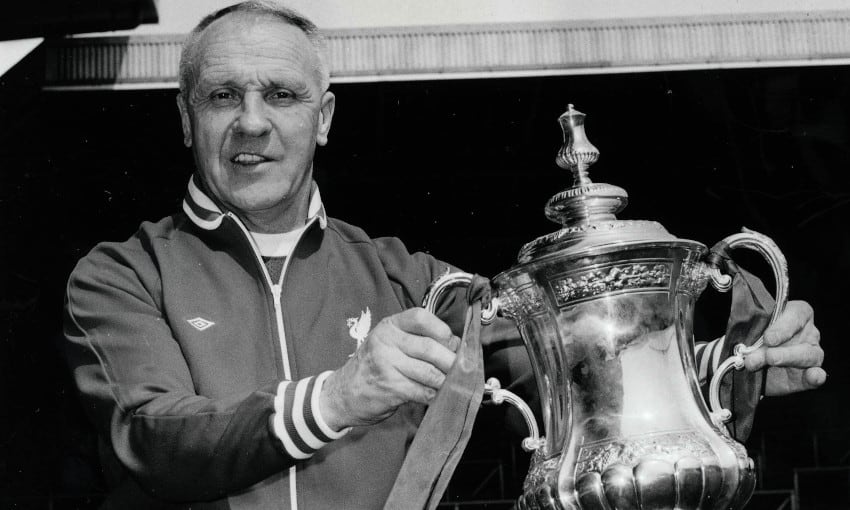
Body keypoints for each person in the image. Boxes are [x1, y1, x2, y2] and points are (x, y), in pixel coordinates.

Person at [62, 1, 826, 509]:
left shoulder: (419, 282)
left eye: (282, 97)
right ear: (184, 117)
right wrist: (338, 397)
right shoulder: (122, 275)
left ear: (323, 119)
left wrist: (722, 370)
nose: (252, 124)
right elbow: (150, 437)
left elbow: (580, 387)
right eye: (223, 97)